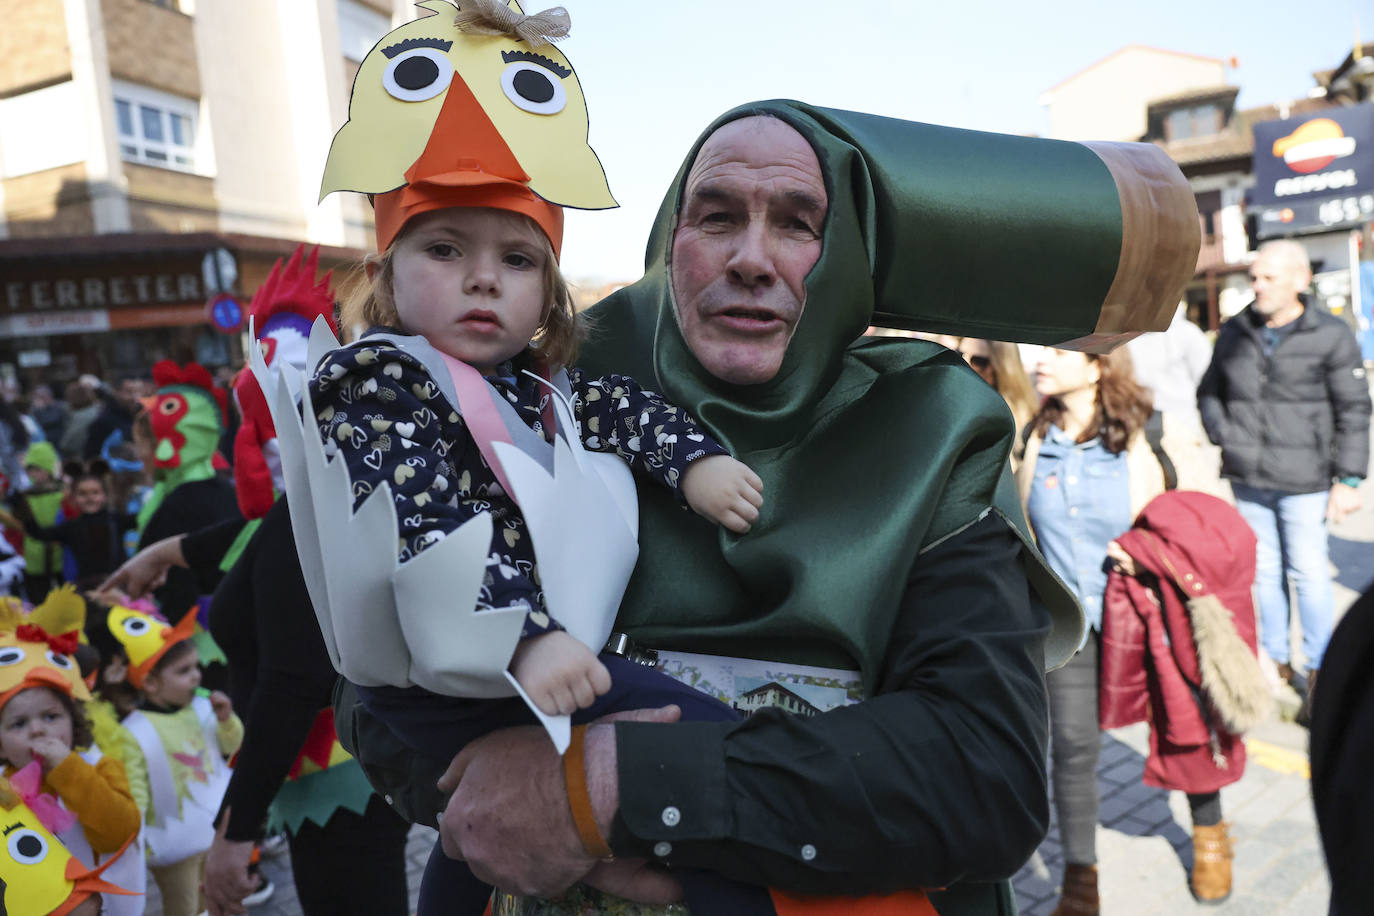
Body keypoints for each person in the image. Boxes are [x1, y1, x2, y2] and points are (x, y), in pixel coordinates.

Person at [1018, 346, 1235, 912]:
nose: (1043, 358)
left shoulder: (1143, 434)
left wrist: (1143, 554)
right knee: (1071, 746)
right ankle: (1080, 880)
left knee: (1182, 721)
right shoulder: (1037, 440)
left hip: (1146, 612)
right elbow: (1023, 541)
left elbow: (1182, 524)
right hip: (1072, 625)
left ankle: (1210, 837)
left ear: (1096, 367)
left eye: (1060, 351)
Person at [1197, 239, 1371, 722]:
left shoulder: (1331, 334)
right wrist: (1225, 436)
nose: (1258, 286)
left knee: (1308, 572)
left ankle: (1317, 671)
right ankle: (1273, 661)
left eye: (1269, 277)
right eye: (1255, 277)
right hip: (1248, 476)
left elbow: (1355, 409)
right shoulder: (1237, 330)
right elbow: (1209, 391)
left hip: (1307, 480)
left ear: (1300, 279)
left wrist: (1350, 479)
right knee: (1264, 573)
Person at [89, 600, 244, 916]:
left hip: (215, 829)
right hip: (173, 844)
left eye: (196, 667)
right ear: (150, 682)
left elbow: (231, 748)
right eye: (184, 671)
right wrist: (137, 835)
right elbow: (136, 789)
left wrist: (228, 720)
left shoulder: (202, 707)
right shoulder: (133, 731)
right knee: (184, 907)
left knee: (220, 900)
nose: (196, 677)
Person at [0, 588, 145, 915]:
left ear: (73, 721)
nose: (37, 730)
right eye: (18, 723)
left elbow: (119, 833)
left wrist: (66, 769)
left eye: (51, 717)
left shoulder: (100, 767)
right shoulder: (2, 791)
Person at [1128, 304, 1227, 500]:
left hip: (1184, 431)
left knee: (1193, 498)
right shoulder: (1125, 338)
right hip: (1141, 432)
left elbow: (1207, 383)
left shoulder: (1187, 334)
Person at [2, 461, 135, 589]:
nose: (89, 498)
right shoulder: (71, 527)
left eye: (95, 493)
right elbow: (40, 534)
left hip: (117, 586)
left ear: (104, 495)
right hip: (87, 588)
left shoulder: (116, 520)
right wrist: (23, 509)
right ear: (73, 497)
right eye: (83, 494)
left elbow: (142, 520)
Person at [956, 337, 1039, 454]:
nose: (965, 364)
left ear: (998, 366)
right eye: (959, 355)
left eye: (978, 361)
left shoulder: (1021, 420)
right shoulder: (952, 402)